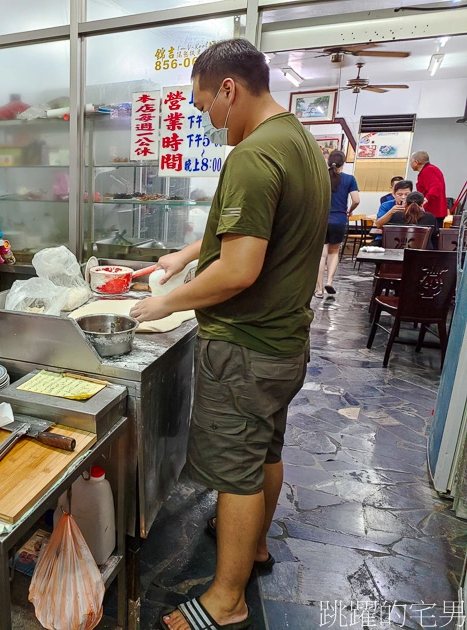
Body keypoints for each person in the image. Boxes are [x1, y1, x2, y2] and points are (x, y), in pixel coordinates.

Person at [129, 39, 329, 630]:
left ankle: (227, 599)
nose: (208, 121)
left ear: (229, 89)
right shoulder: (299, 143)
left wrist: (162, 304)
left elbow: (239, 270)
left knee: (236, 471)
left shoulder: (250, 156)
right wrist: (182, 255)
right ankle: (256, 548)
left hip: (245, 348)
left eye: (206, 106)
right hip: (285, 343)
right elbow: (245, 234)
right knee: (266, 450)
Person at [315, 150, 359, 298]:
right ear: (343, 163)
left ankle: (319, 290)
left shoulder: (320, 178)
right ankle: (330, 282)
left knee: (321, 255)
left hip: (321, 220)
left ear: (328, 162)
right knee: (333, 253)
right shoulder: (349, 179)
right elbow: (356, 200)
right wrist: (349, 210)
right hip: (339, 220)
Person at [411, 150, 448, 228]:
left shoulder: (428, 170)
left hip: (433, 212)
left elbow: (436, 186)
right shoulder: (431, 169)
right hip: (433, 212)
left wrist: (426, 199)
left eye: (411, 161)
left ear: (416, 162)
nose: (410, 163)